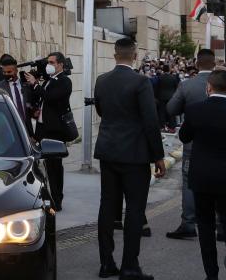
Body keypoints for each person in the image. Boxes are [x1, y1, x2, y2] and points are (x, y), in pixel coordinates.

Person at [94, 38, 165, 280]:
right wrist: (158, 156)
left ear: (115, 55)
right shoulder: (141, 82)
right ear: (134, 56)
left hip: (108, 151)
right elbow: (150, 121)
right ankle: (130, 266)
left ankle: (106, 263)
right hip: (134, 155)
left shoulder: (101, 81)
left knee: (107, 206)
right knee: (134, 210)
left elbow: (102, 111)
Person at [178, 70, 226, 280]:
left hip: (202, 175)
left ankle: (211, 274)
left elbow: (184, 136)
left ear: (208, 87)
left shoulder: (194, 110)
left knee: (205, 224)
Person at [165, 50, 226, 240]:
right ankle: (221, 224)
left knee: (189, 182)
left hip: (194, 145)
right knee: (222, 182)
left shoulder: (187, 86)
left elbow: (171, 108)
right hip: (225, 147)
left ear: (197, 63)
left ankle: (189, 222)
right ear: (214, 63)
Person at [35, 52, 73, 212]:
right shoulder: (49, 81)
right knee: (45, 166)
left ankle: (57, 199)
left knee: (55, 167)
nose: (48, 65)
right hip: (43, 129)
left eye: (51, 62)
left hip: (56, 131)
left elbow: (51, 98)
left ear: (60, 65)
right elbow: (44, 101)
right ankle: (46, 197)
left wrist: (36, 85)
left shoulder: (65, 81)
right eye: (48, 62)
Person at [0, 60, 36, 137]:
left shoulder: (26, 86)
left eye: (9, 72)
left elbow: (30, 105)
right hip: (6, 130)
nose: (6, 74)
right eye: (4, 72)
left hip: (26, 131)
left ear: (16, 71)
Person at [154, 64, 180, 130]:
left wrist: (156, 96)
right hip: (171, 97)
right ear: (169, 70)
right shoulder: (173, 77)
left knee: (161, 112)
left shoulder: (159, 77)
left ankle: (162, 126)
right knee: (171, 112)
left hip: (161, 97)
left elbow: (156, 88)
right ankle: (172, 126)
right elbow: (176, 87)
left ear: (163, 70)